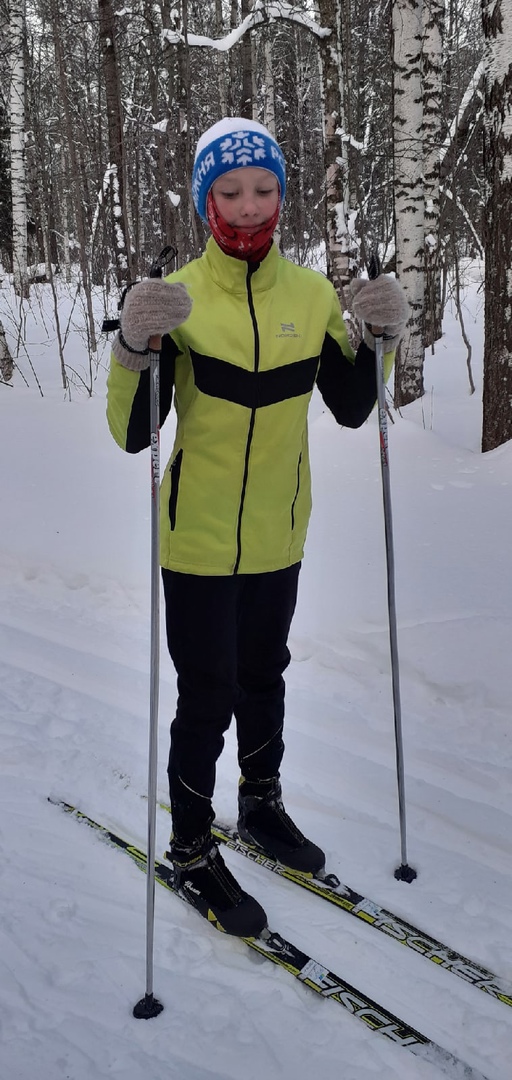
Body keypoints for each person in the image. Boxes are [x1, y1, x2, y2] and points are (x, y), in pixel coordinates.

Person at [106, 117, 409, 938]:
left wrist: (380, 336)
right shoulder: (179, 299)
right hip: (198, 542)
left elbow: (353, 407)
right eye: (231, 191)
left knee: (265, 673)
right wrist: (134, 343)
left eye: (264, 189)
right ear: (207, 200)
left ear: (282, 193)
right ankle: (190, 846)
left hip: (279, 535)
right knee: (208, 692)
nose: (249, 207)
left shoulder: (309, 296)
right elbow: (133, 433)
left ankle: (261, 804)